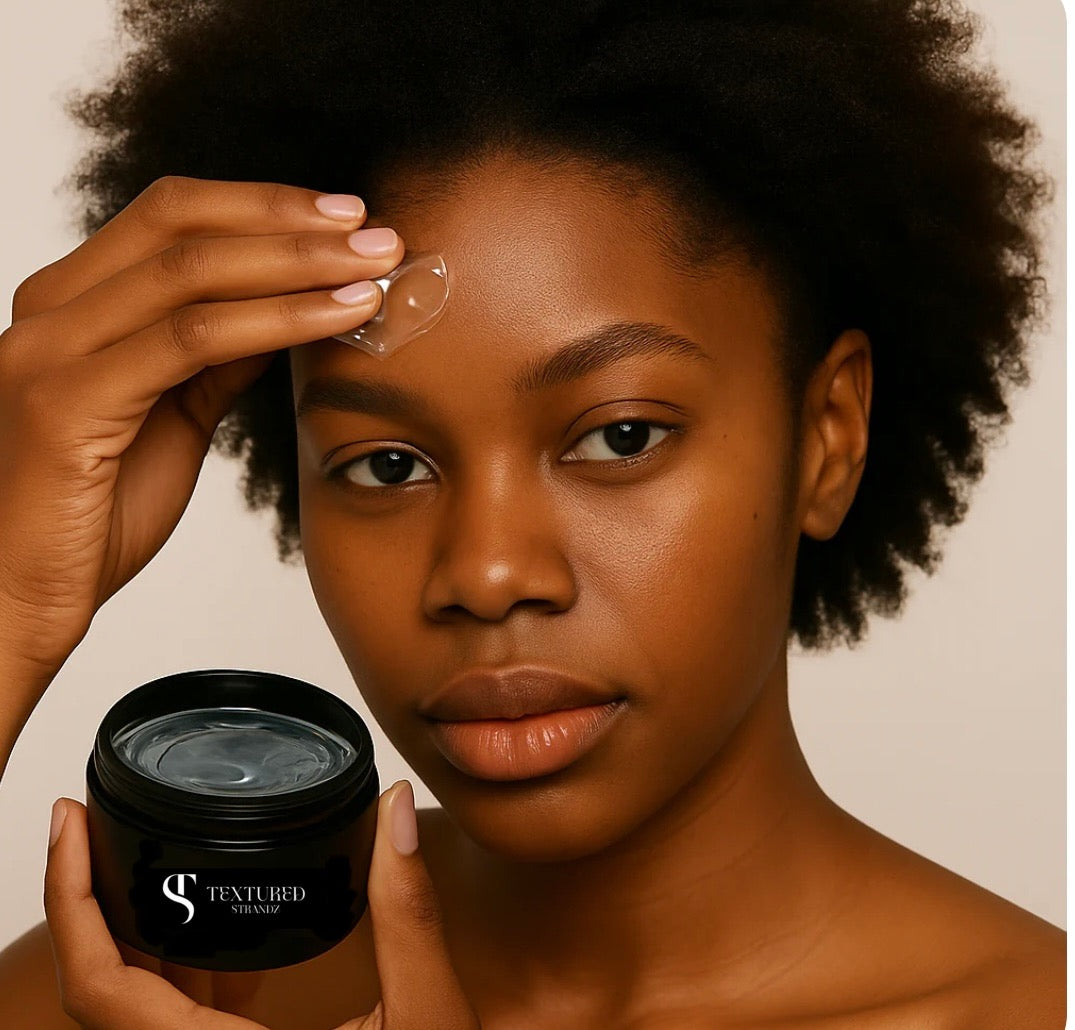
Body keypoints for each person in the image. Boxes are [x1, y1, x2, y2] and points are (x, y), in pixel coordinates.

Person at [0, 0, 1064, 1027]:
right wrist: (9, 606)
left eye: (621, 436)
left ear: (827, 438)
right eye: (384, 463)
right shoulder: (125, 994)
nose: (487, 571)